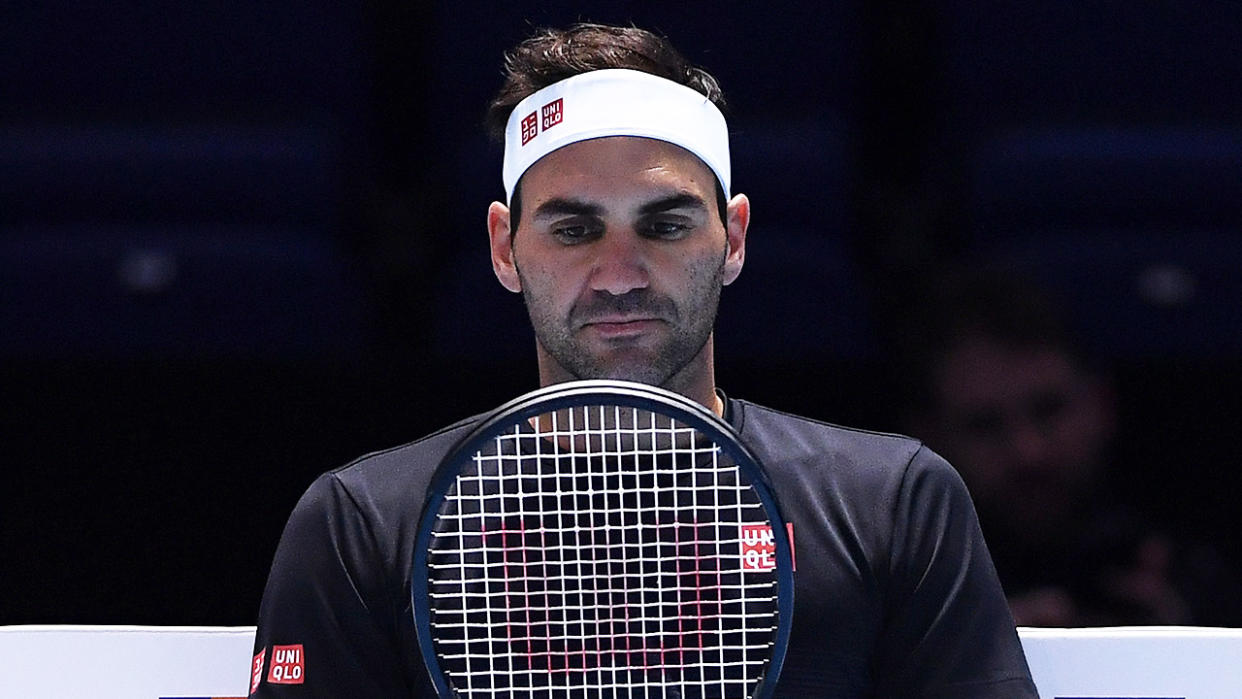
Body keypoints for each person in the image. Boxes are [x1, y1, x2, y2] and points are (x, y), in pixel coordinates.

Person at [247, 23, 1036, 697]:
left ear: (732, 238)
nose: (620, 272)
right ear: (503, 247)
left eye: (663, 225)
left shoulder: (894, 503)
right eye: (573, 228)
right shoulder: (361, 524)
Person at [893, 268, 1242, 627]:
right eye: (985, 425)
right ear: (927, 438)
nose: (1028, 452)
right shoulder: (894, 597)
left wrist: (1182, 650)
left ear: (1102, 403)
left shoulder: (1194, 573)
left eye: (1049, 410)